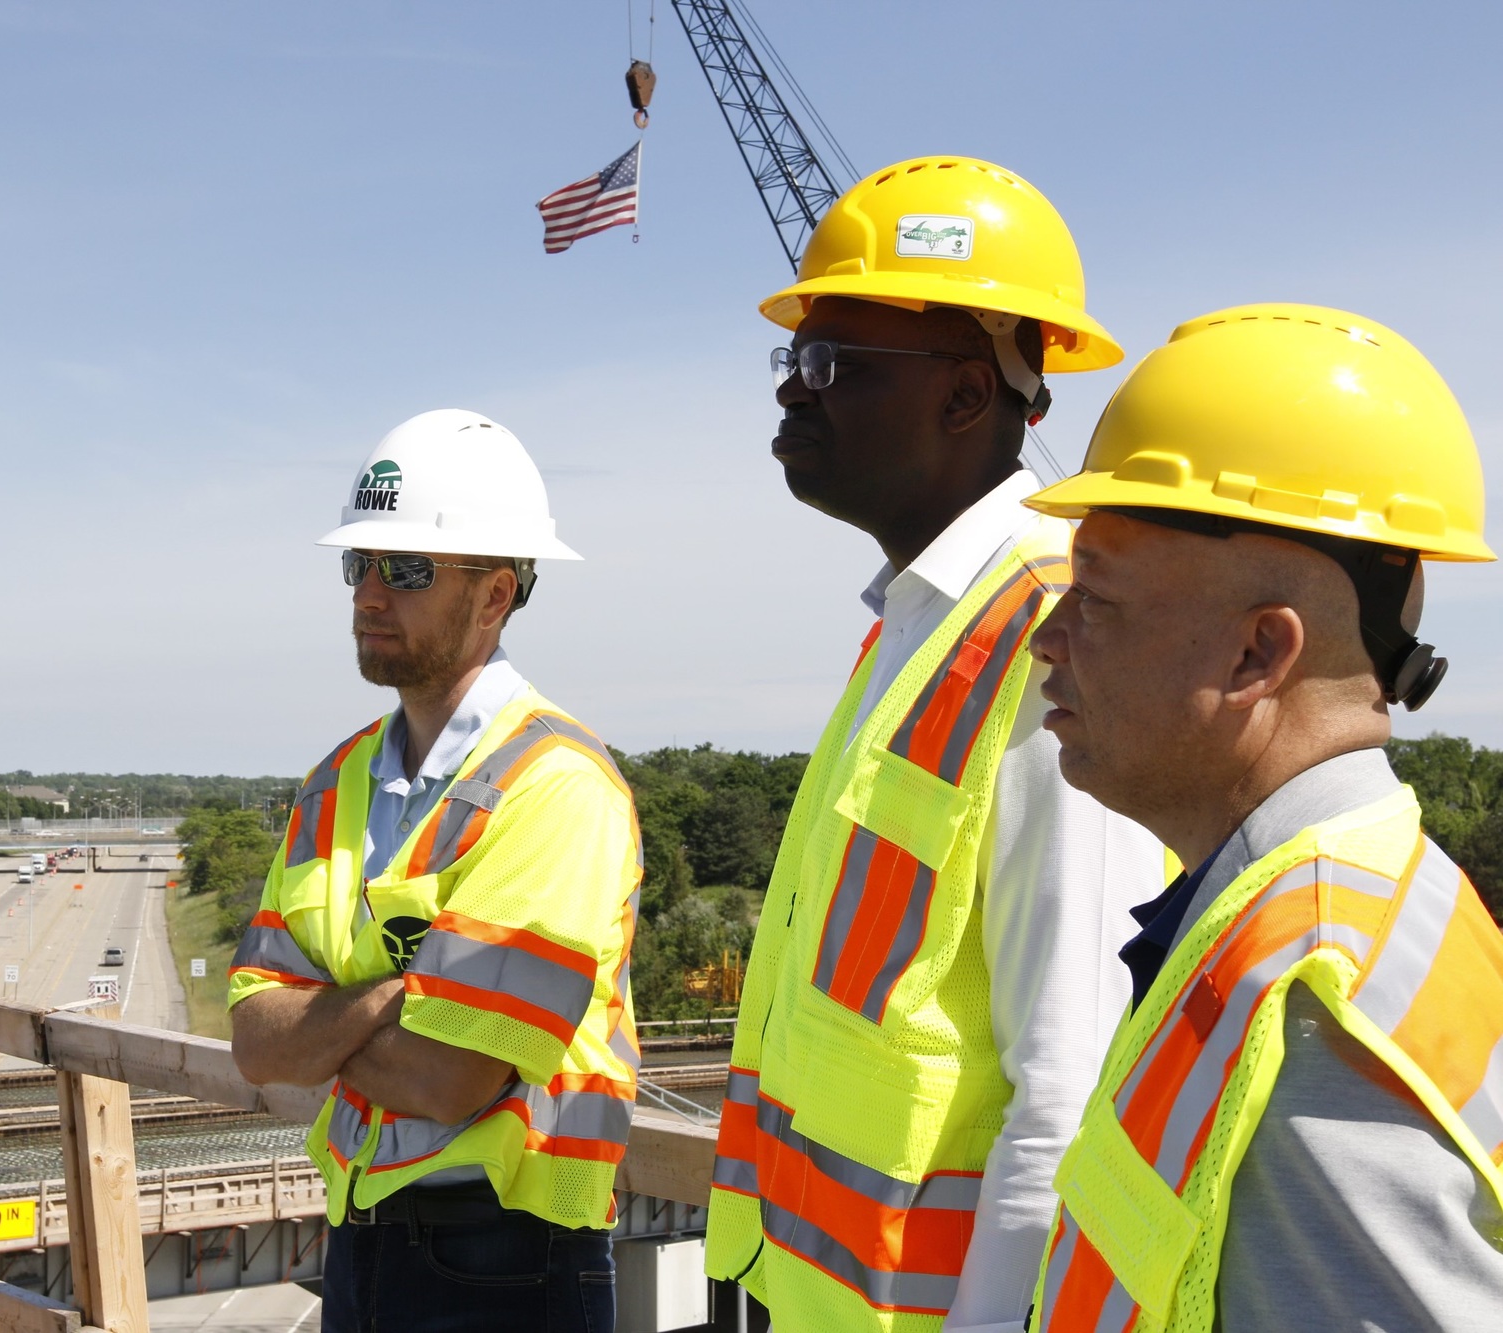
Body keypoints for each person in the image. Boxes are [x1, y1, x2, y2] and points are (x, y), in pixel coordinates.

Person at [703, 156, 1166, 1332]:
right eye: (787, 362)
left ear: (967, 395)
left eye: (827, 363)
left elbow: (1065, 1091)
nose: (789, 396)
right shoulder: (922, 624)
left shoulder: (1053, 634)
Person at [1021, 304, 1503, 1331]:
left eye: (1092, 598)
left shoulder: (1311, 1008)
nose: (1045, 639)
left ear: (1255, 654)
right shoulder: (1301, 917)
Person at [227, 409, 644, 1333]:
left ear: (496, 595)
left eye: (406, 570)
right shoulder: (333, 784)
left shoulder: (556, 787)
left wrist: (332, 1020)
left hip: (513, 1260)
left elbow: (453, 1076)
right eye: (359, 565)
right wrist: (396, 997)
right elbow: (258, 1043)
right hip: (360, 1241)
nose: (369, 595)